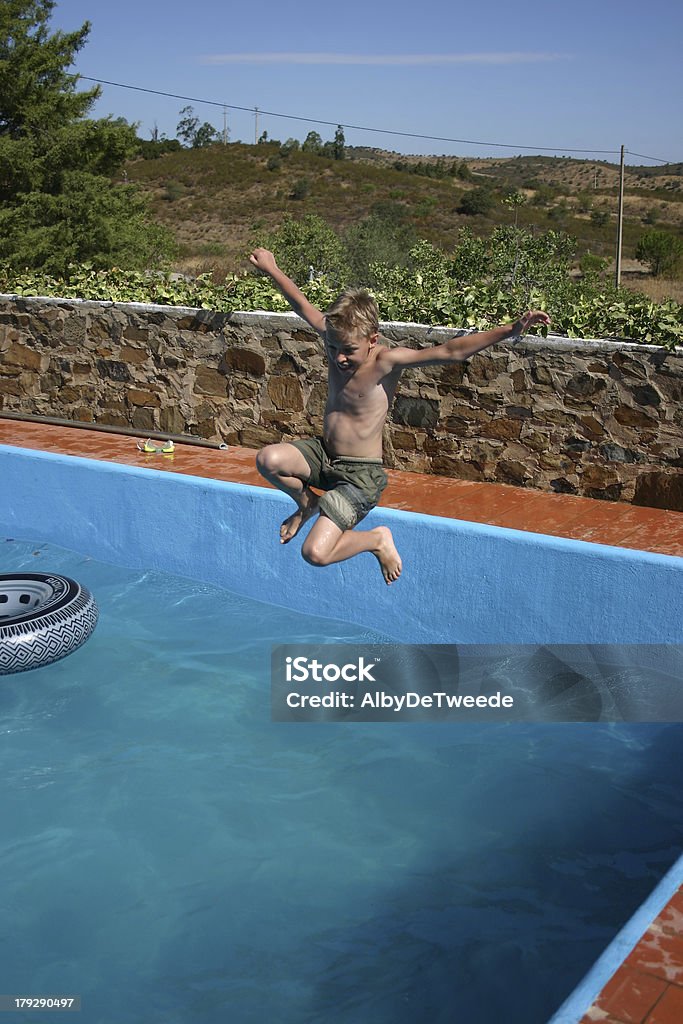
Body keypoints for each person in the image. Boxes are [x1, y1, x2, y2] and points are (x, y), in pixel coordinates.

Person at [249, 247, 550, 585]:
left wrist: (511, 329)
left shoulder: (386, 362)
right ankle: (307, 505)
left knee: (315, 554)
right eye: (332, 349)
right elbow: (301, 304)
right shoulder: (335, 334)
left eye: (348, 351)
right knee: (268, 459)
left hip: (359, 477)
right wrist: (272, 269)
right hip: (324, 455)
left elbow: (451, 352)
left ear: (372, 340)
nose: (339, 358)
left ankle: (376, 540)